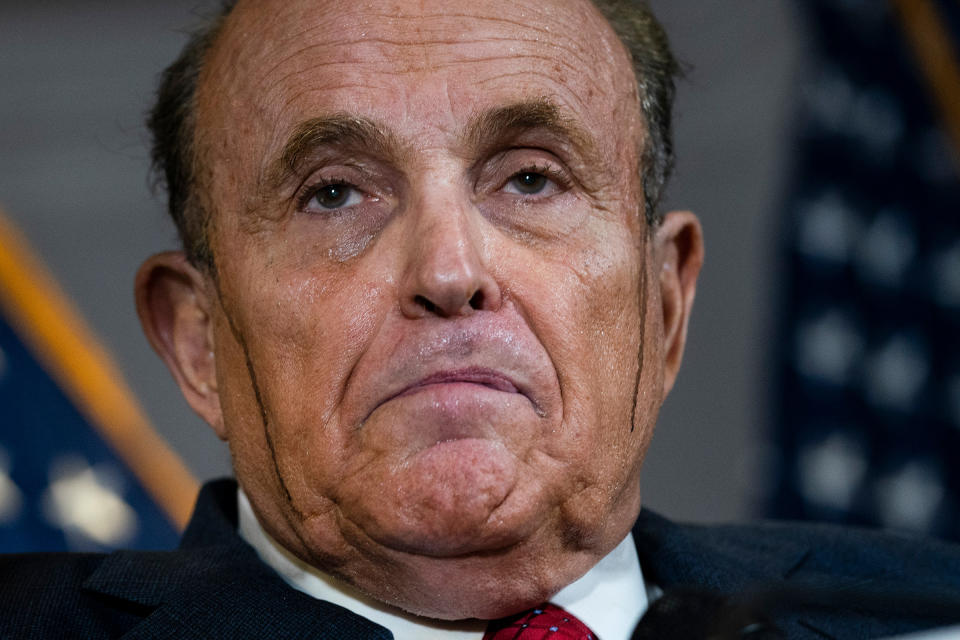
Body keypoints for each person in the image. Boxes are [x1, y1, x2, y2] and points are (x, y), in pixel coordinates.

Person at [1, 1, 959, 638]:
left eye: (531, 177)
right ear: (199, 342)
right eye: (335, 194)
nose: (450, 272)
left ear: (664, 304)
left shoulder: (924, 611)